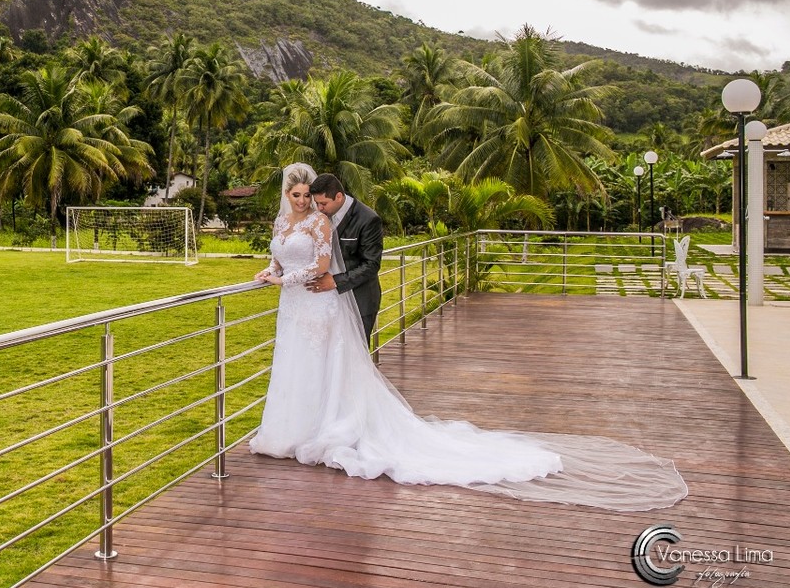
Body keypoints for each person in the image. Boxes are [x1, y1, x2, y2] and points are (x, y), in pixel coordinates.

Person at [250, 162, 687, 511]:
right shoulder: (288, 224)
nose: (310, 203)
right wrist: (274, 273)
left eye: (314, 198)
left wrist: (304, 282)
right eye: (301, 196)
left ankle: (335, 424)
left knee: (344, 364)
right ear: (288, 195)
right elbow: (284, 261)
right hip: (298, 307)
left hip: (337, 298)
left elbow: (354, 266)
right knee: (302, 366)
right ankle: (296, 426)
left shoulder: (344, 222)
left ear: (330, 197)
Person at [305, 173, 383, 343]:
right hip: (328, 300)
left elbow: (372, 264)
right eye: (316, 203)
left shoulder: (368, 219)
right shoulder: (319, 217)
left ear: (339, 196)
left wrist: (335, 281)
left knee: (357, 354)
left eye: (323, 203)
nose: (319, 209)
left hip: (360, 299)